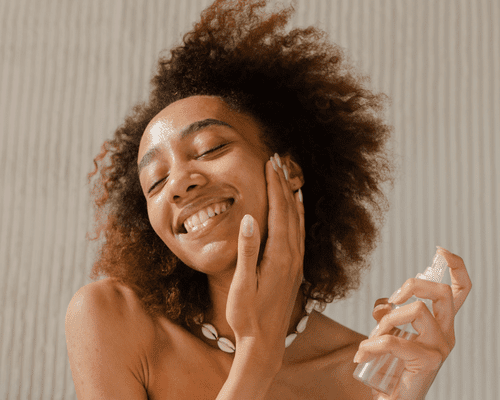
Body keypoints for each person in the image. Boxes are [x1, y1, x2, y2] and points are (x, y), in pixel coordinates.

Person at [65, 1, 472, 399]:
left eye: (209, 149)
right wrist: (257, 356)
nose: (178, 184)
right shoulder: (112, 318)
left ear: (288, 170)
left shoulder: (363, 376)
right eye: (155, 181)